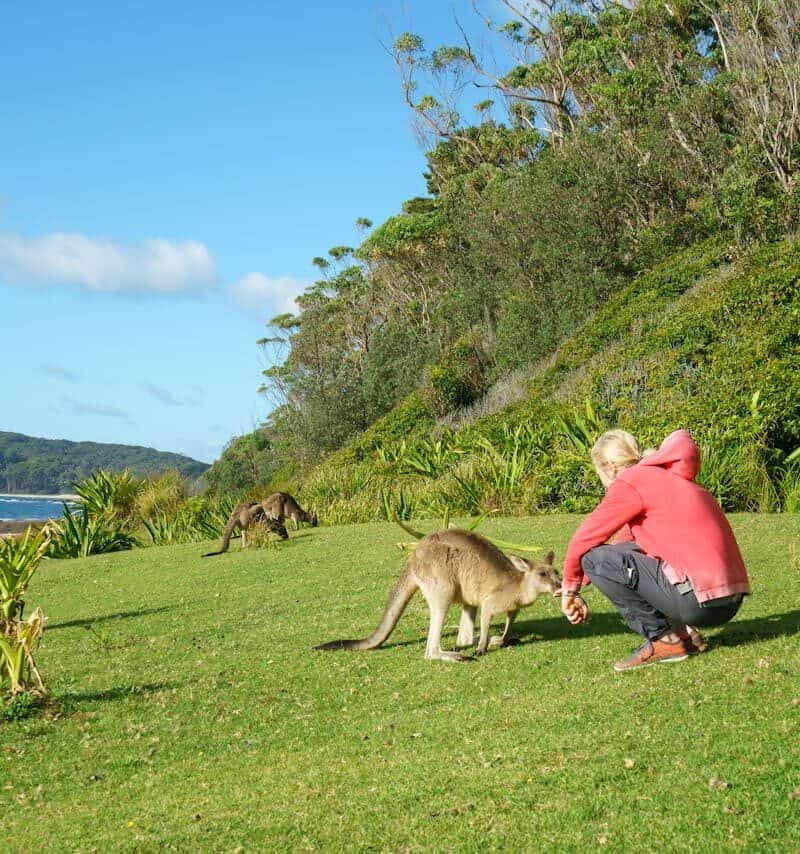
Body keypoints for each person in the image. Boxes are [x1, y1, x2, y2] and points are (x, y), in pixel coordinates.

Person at [560, 428, 750, 671]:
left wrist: (570, 591)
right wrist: (590, 579)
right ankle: (684, 635)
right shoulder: (668, 477)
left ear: (609, 467)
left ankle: (664, 639)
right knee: (620, 557)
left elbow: (584, 539)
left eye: (600, 475)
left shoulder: (631, 481)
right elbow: (626, 547)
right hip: (729, 602)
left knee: (593, 558)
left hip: (698, 604)